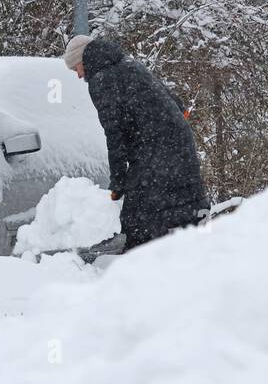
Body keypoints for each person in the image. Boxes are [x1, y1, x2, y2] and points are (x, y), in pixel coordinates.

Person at [62, 34, 209, 253]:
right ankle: (194, 250)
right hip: (178, 142)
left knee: (138, 217)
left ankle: (132, 265)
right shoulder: (129, 65)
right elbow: (168, 96)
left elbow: (114, 134)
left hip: (154, 149)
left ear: (83, 61)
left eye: (76, 69)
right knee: (181, 203)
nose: (78, 75)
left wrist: (118, 183)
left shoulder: (101, 80)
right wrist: (177, 115)